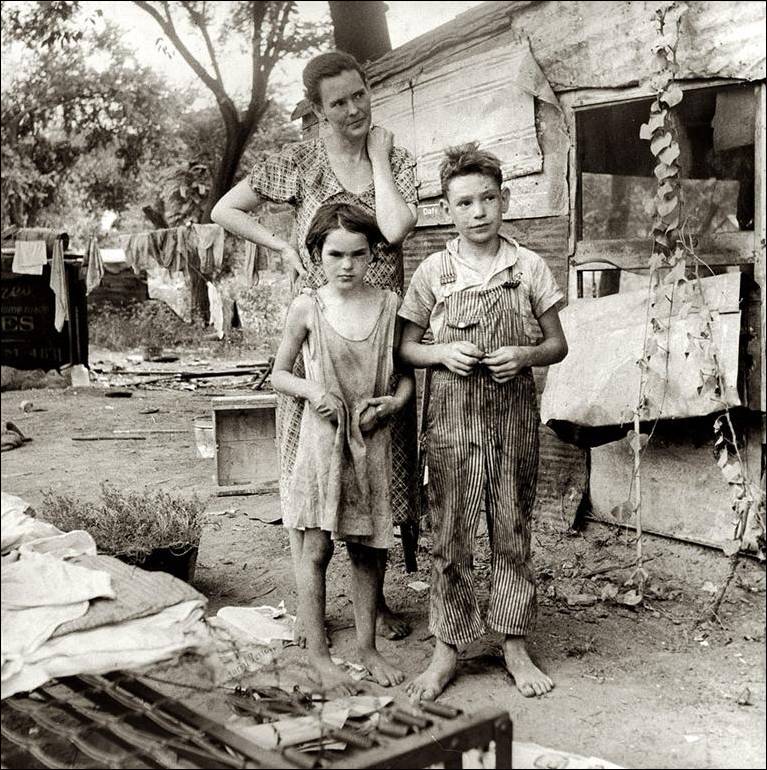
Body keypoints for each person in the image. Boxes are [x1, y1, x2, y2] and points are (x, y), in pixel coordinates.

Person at [211, 50, 418, 641]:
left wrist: (377, 158)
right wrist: (280, 245)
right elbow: (225, 209)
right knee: (313, 466)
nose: (354, 109)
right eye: (338, 103)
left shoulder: (396, 158)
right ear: (317, 110)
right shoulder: (299, 161)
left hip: (378, 335)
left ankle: (374, 604)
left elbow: (395, 229)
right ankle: (312, 607)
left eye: (359, 94)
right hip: (320, 336)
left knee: (377, 465)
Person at [398, 142, 568, 701]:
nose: (478, 212)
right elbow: (406, 348)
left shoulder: (529, 267)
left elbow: (557, 344)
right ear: (447, 209)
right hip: (450, 424)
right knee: (449, 534)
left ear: (505, 200)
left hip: (513, 419)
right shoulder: (434, 271)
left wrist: (524, 355)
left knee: (512, 528)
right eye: (465, 202)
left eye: (488, 199)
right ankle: (447, 649)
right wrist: (441, 353)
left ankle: (513, 643)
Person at [270, 202, 414, 693]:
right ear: (317, 255)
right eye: (335, 254)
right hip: (322, 445)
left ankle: (367, 648)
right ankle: (319, 656)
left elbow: (406, 378)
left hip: (371, 442)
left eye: (358, 254)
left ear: (373, 254)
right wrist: (312, 390)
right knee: (316, 547)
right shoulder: (308, 307)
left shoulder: (389, 305)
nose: (347, 265)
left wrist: (393, 404)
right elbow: (280, 374)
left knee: (368, 550)